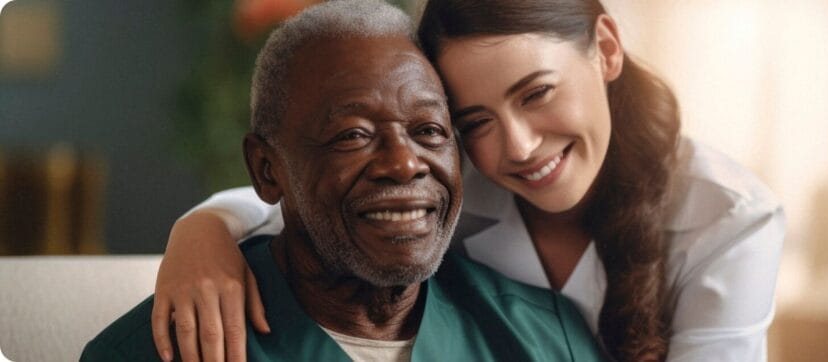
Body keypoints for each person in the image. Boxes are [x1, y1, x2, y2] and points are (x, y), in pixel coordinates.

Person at [156, 0, 786, 361]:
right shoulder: (449, 183)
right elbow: (312, 199)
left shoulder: (730, 219)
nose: (519, 147)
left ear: (606, 48)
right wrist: (201, 230)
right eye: (473, 121)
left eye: (537, 93)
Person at [82, 2, 604, 361]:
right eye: (353, 135)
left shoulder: (547, 339)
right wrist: (200, 226)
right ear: (267, 169)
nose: (404, 164)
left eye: (428, 130)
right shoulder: (149, 352)